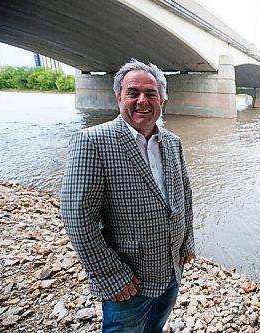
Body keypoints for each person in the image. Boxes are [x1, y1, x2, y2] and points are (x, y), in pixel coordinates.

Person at [61, 59, 195, 332]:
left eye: (151, 94)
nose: (142, 101)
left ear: (163, 100)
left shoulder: (173, 142)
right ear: (118, 97)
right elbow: (77, 218)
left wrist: (187, 242)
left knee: (154, 328)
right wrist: (110, 275)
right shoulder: (92, 142)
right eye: (133, 93)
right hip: (128, 281)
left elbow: (185, 195)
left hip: (171, 270)